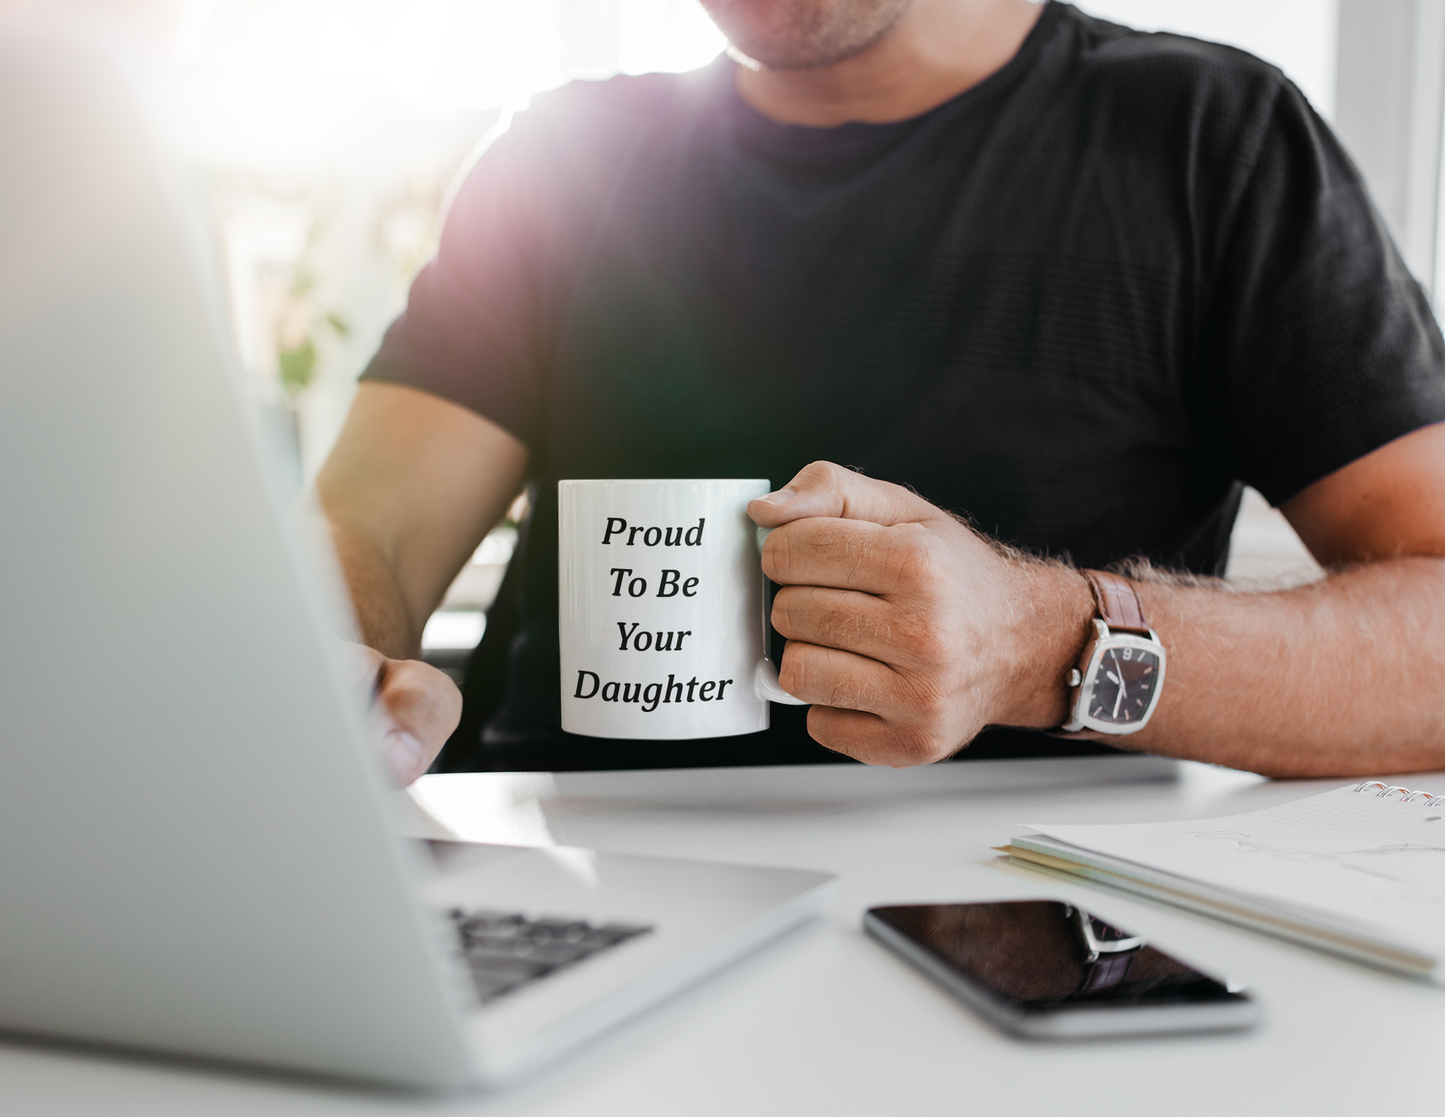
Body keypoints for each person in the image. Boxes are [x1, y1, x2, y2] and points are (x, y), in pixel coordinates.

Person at [318, 0, 1445, 787]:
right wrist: (337, 666)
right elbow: (367, 525)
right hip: (566, 878)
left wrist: (1038, 642)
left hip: (1021, 927)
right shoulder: (563, 156)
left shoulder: (1210, 142)